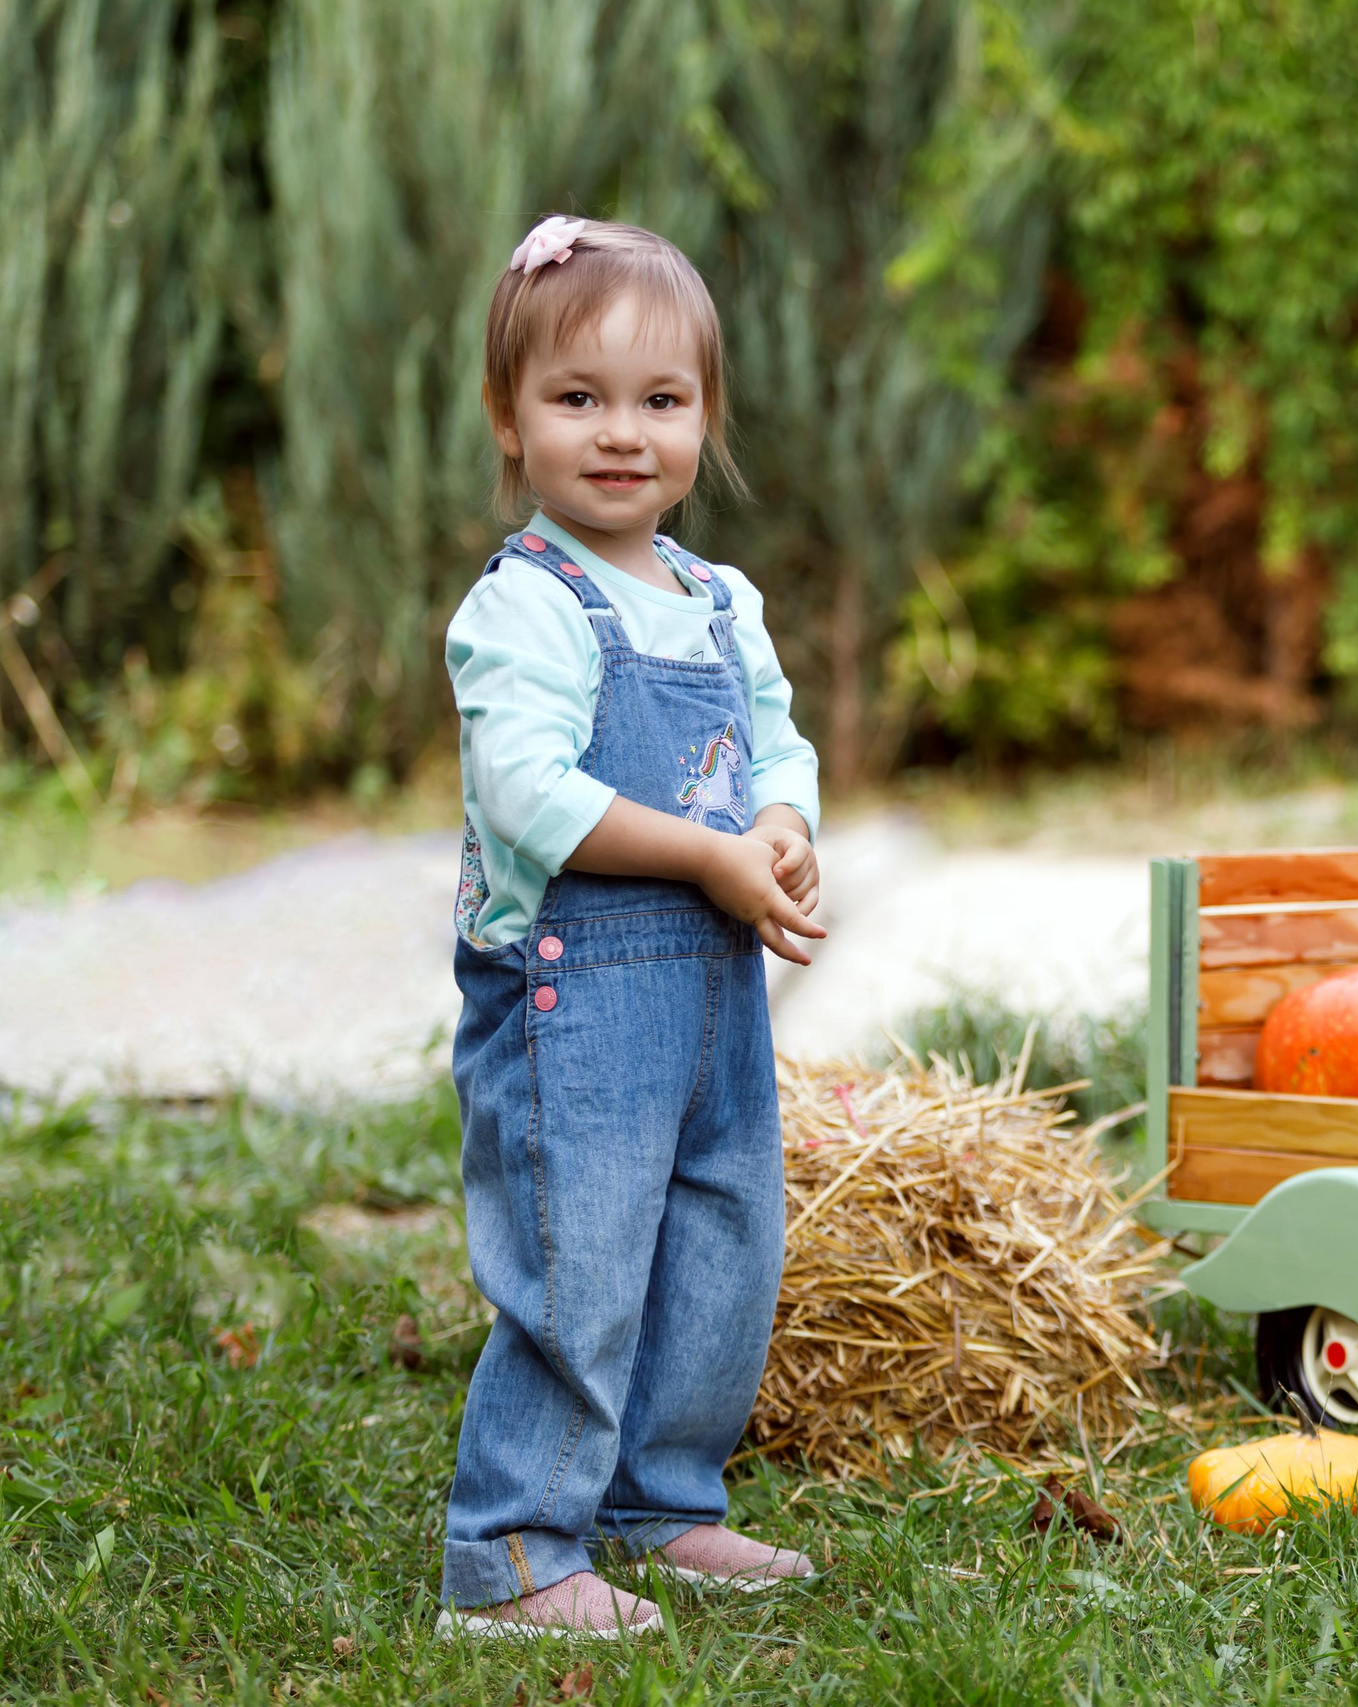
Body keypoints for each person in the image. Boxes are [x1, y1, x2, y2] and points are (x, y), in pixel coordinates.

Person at [437, 215, 823, 1638]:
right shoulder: (525, 608)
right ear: (508, 417)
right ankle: (517, 1550)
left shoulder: (723, 603)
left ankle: (663, 1502)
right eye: (576, 398)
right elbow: (529, 794)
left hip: (711, 1002)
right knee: (581, 1258)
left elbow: (776, 749)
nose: (622, 434)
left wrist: (780, 831)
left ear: (705, 417)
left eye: (660, 401)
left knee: (720, 1244)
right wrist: (710, 861)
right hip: (571, 1004)